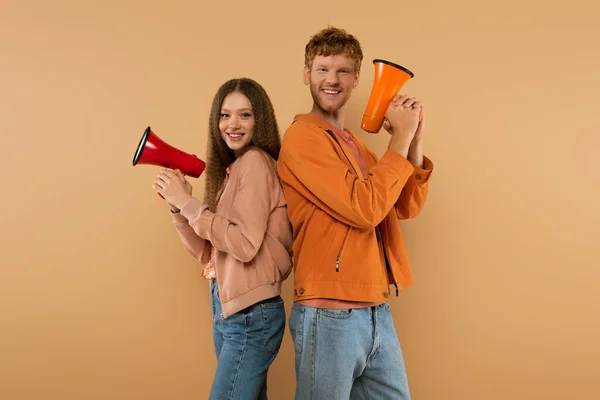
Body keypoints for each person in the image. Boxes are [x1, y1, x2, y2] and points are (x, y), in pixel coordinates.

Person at [276, 27, 435, 399]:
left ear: (357, 79)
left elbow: (405, 205)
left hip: (376, 309)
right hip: (329, 313)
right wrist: (397, 139)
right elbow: (364, 208)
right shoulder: (302, 138)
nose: (332, 79)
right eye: (322, 69)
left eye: (343, 71)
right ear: (306, 73)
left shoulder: (360, 149)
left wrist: (414, 139)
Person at [152, 78, 293, 400]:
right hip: (231, 309)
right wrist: (178, 207)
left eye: (245, 115)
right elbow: (208, 255)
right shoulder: (234, 171)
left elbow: (243, 245)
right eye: (225, 115)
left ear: (261, 120)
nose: (233, 124)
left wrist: (191, 205)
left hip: (250, 314)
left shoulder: (256, 163)